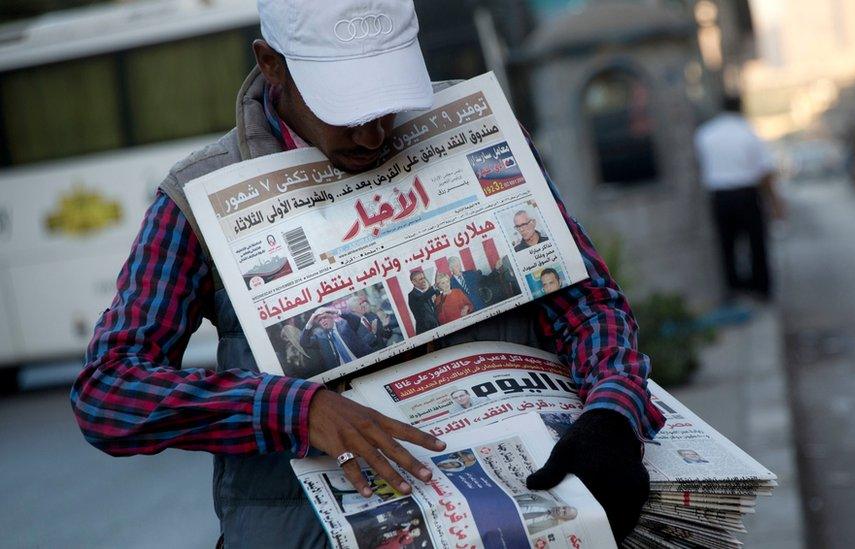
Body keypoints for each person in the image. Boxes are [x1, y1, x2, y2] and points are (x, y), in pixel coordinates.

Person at [71, 0, 665, 544]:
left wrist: (611, 413)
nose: (372, 132)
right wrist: (293, 411)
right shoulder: (196, 198)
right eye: (346, 108)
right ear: (271, 65)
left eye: (386, 101)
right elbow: (108, 391)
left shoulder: (477, 134)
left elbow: (588, 304)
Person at [694, 94, 784, 302]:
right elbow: (764, 171)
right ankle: (761, 290)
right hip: (746, 193)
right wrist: (775, 203)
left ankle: (734, 289)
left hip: (719, 196)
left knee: (727, 245)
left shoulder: (705, 133)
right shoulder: (748, 132)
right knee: (756, 243)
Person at [299, 307, 371, 372]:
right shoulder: (320, 337)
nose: (323, 321)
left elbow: (356, 319)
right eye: (320, 320)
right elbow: (303, 343)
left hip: (362, 363)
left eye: (324, 318)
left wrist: (334, 310)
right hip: (343, 372)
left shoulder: (345, 325)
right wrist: (310, 322)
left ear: (332, 316)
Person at [513, 493, 578, 535]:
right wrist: (513, 499)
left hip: (514, 526)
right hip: (511, 508)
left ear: (564, 519)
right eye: (564, 507)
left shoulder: (551, 526)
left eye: (564, 512)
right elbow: (532, 495)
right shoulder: (549, 502)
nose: (560, 509)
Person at [407, 270, 439, 334]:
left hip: (436, 328)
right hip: (425, 331)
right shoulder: (412, 295)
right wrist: (434, 287)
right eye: (421, 279)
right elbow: (421, 300)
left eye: (424, 278)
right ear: (414, 282)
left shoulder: (426, 293)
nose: (424, 280)